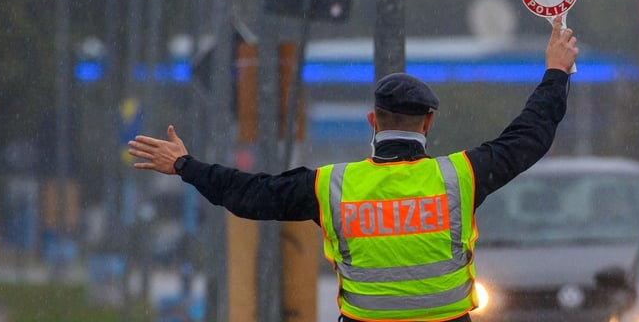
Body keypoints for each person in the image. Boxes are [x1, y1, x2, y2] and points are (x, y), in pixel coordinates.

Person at [128, 16, 579, 322]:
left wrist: (185, 165)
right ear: (428, 122)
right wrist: (556, 72)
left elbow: (250, 194)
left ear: (371, 121)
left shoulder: (331, 187)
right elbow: (529, 138)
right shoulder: (460, 176)